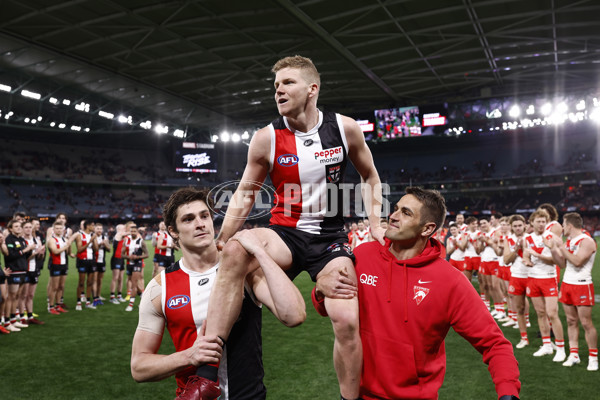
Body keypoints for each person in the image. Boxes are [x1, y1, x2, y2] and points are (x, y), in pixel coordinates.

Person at [194, 55, 385, 400]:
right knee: (237, 248)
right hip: (284, 233)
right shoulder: (266, 138)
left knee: (346, 320)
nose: (279, 89)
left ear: (312, 89)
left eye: (288, 82)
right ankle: (206, 371)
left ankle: (349, 398)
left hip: (330, 239)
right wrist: (222, 239)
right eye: (276, 85)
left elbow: (369, 175)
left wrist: (376, 223)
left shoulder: (344, 128)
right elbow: (245, 193)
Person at [312, 187, 521, 400]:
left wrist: (508, 393)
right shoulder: (362, 256)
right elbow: (323, 307)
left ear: (427, 229)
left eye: (406, 212)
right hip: (354, 395)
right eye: (395, 209)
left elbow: (495, 344)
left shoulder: (450, 281)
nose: (393, 216)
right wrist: (320, 290)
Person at [130, 187, 306, 399]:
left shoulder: (244, 270)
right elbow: (139, 367)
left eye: (205, 216)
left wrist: (260, 252)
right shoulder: (160, 288)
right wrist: (189, 356)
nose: (200, 223)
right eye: (188, 219)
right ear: (173, 231)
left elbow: (294, 315)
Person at [546, 212, 598, 371]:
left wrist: (560, 246)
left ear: (569, 225)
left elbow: (577, 261)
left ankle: (593, 357)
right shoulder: (568, 242)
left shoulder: (587, 241)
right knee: (571, 321)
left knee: (586, 323)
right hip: (567, 284)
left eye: (563, 223)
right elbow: (562, 264)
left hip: (582, 285)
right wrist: (554, 249)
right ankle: (574, 354)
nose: (561, 227)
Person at [523, 209, 566, 362]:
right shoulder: (527, 238)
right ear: (532, 222)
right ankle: (547, 345)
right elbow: (526, 255)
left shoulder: (553, 238)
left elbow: (558, 262)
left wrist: (537, 255)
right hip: (533, 279)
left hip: (548, 278)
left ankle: (560, 348)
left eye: (543, 221)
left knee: (552, 313)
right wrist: (526, 260)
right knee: (540, 313)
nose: (541, 224)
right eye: (538, 221)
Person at [1, 219, 36, 332]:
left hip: (22, 270)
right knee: (10, 297)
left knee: (17, 296)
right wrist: (26, 249)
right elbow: (11, 256)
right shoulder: (9, 239)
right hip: (14, 271)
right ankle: (7, 322)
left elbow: (25, 255)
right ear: (10, 229)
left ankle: (13, 320)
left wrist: (32, 251)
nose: (19, 228)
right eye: (16, 226)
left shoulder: (21, 239)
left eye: (19, 226)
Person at [504, 215, 530, 347]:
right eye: (515, 226)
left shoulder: (531, 237)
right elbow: (506, 260)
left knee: (542, 310)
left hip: (533, 276)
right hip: (517, 275)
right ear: (511, 227)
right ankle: (524, 338)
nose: (518, 228)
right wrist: (516, 249)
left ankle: (547, 341)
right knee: (519, 308)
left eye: (520, 225)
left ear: (524, 225)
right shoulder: (509, 239)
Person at [47, 222, 74, 314]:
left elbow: (68, 252)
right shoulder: (51, 240)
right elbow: (55, 251)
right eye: (57, 228)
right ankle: (51, 306)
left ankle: (58, 305)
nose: (59, 230)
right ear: (53, 230)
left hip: (64, 264)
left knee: (61, 286)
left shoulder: (64, 239)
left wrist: (69, 245)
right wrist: (66, 245)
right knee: (54, 287)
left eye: (60, 228)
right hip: (55, 264)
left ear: (63, 229)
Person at [122, 222, 148, 312]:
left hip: (137, 264)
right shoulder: (126, 240)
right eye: (131, 231)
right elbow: (122, 254)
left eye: (134, 231)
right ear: (129, 232)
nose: (133, 233)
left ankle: (130, 305)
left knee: (133, 283)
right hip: (129, 263)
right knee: (134, 283)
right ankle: (143, 296)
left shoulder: (141, 241)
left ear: (137, 232)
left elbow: (147, 255)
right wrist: (128, 257)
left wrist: (138, 257)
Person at [72, 220, 98, 310]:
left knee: (90, 282)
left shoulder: (92, 235)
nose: (94, 227)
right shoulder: (80, 235)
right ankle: (78, 302)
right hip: (82, 261)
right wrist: (90, 241)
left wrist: (94, 240)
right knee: (81, 282)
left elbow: (96, 249)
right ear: (87, 226)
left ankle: (88, 302)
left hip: (91, 260)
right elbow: (79, 249)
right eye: (92, 225)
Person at [93, 222, 112, 306]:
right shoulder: (92, 237)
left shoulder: (105, 238)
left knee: (100, 280)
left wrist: (105, 244)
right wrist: (99, 244)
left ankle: (99, 295)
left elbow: (109, 250)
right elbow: (93, 249)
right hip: (94, 261)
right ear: (94, 229)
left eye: (100, 229)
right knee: (94, 279)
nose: (99, 230)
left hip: (102, 261)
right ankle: (94, 296)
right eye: (98, 229)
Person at [109, 223, 128, 304]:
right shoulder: (118, 234)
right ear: (119, 229)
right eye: (124, 228)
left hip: (121, 259)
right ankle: (112, 297)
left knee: (121, 278)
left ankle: (119, 295)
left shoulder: (123, 236)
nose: (125, 229)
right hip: (116, 259)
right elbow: (126, 233)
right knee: (115, 278)